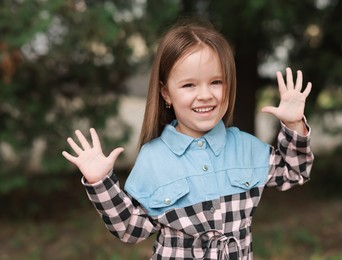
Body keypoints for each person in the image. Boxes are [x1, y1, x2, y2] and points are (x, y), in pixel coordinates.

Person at [62, 19, 314, 259]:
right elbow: (130, 230)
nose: (204, 95)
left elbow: (294, 172)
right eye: (189, 85)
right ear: (166, 93)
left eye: (216, 82)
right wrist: (100, 183)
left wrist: (293, 125)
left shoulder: (245, 147)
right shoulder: (154, 158)